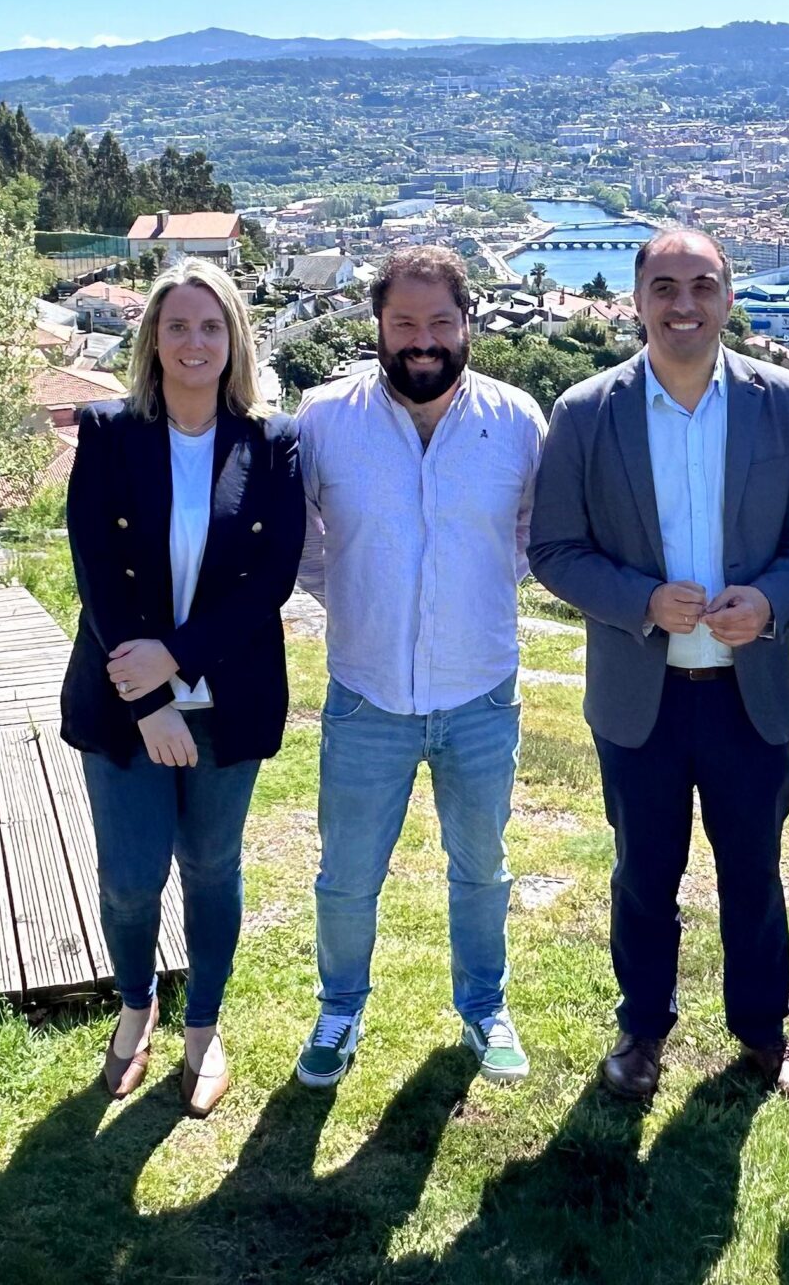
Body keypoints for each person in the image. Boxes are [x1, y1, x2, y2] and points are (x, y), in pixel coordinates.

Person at [528, 227, 789, 1104]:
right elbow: (554, 548)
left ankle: (764, 1035)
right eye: (665, 286)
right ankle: (643, 1029)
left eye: (702, 285)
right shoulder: (587, 412)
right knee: (643, 875)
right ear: (637, 300)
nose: (684, 304)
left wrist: (771, 600)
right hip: (642, 695)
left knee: (755, 874)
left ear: (728, 297)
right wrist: (639, 601)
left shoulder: (786, 402)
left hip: (753, 693)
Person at [294, 244, 546, 1088]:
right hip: (366, 692)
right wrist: (359, 600)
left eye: (440, 321)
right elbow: (302, 541)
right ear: (378, 324)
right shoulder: (325, 418)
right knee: (346, 875)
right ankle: (340, 1007)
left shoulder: (516, 421)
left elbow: (530, 535)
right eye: (404, 321)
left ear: (467, 323)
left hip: (481, 688)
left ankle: (483, 1006)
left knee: (482, 866)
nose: (422, 339)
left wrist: (467, 594)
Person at [61, 260, 304, 1118]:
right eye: (177, 327)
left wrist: (178, 662)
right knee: (130, 878)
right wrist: (150, 699)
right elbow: (99, 577)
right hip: (123, 703)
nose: (194, 342)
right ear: (152, 341)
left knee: (211, 868)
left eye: (211, 326)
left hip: (228, 699)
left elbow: (267, 582)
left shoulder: (273, 445)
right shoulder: (107, 432)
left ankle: (203, 1027)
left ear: (234, 338)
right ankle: (136, 1008)